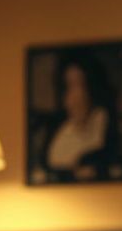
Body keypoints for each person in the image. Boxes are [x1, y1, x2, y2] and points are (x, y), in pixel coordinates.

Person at [42, 50, 114, 180]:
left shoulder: (104, 122)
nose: (75, 95)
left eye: (79, 85)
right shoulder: (59, 128)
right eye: (69, 86)